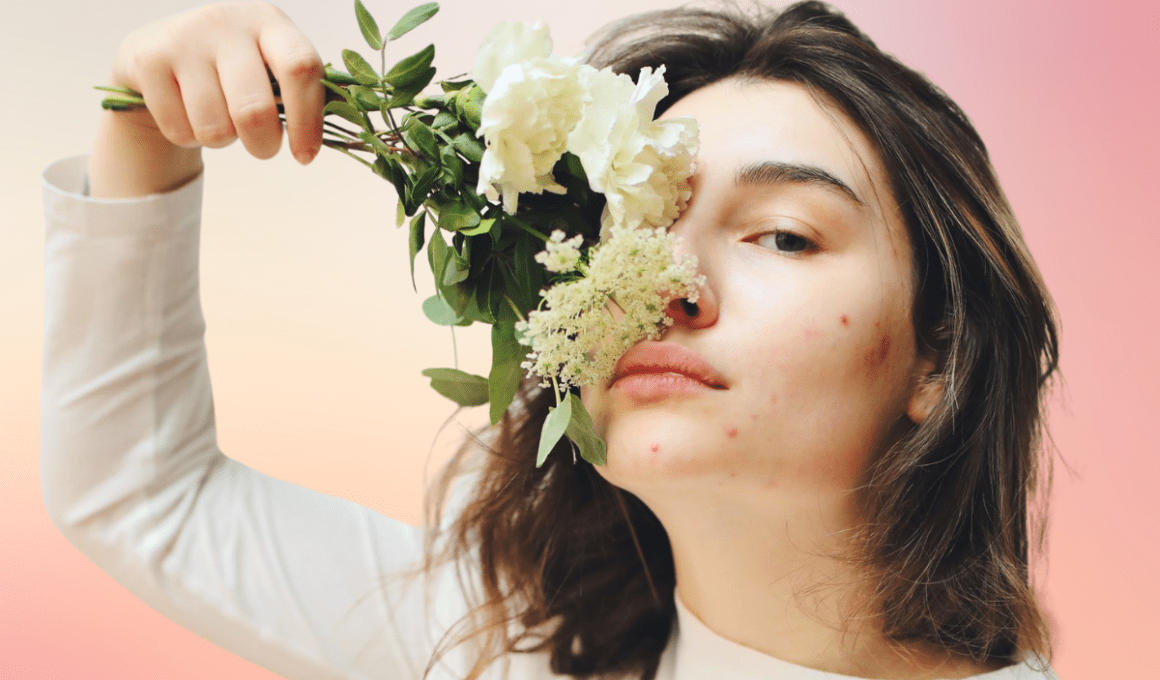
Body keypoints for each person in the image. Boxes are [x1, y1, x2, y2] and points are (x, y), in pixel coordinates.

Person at [39, 1, 1061, 679]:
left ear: (939, 354)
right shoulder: (505, 649)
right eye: (628, 230)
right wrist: (147, 131)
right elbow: (143, 493)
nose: (663, 281)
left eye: (782, 235)